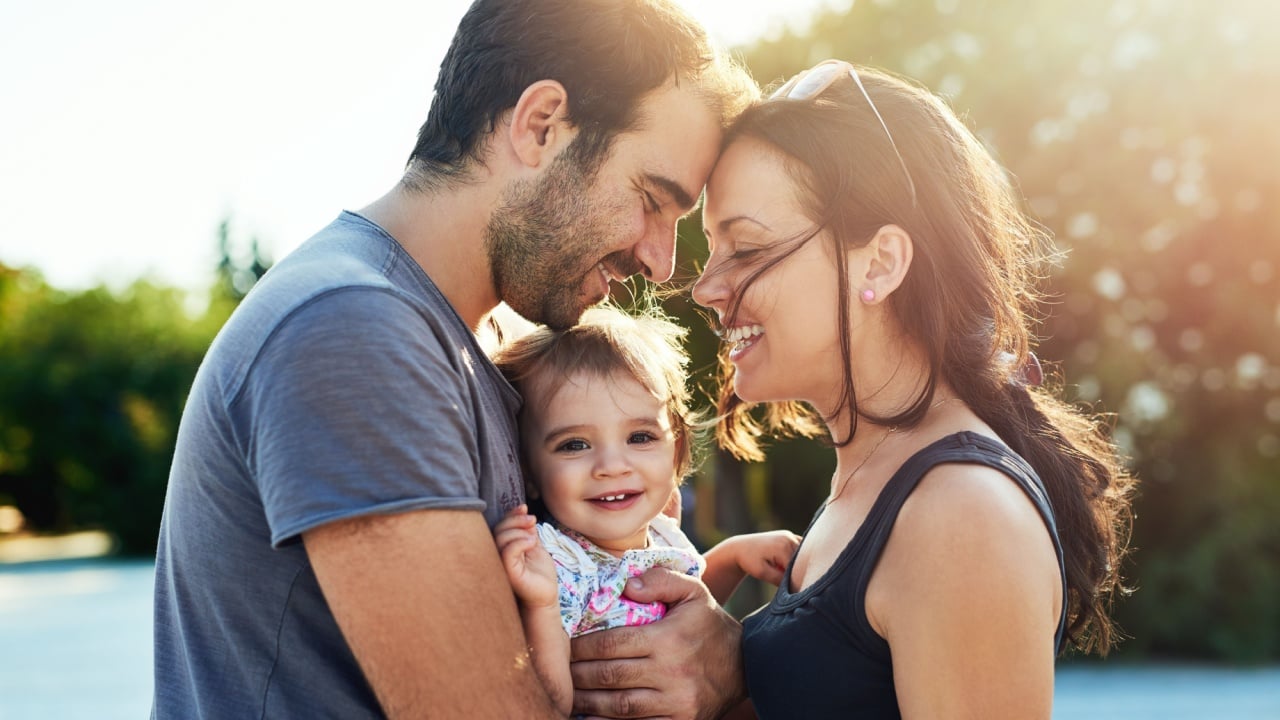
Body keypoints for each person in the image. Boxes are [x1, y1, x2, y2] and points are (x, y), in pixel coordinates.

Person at [150, 1, 758, 717]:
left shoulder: (462, 346)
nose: (660, 263)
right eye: (653, 201)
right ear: (541, 126)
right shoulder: (354, 330)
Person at [691, 60, 1135, 718]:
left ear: (881, 262)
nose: (706, 288)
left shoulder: (961, 515)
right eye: (710, 248)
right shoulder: (872, 478)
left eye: (747, 249)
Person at [490, 305, 801, 716]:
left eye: (639, 436)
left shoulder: (661, 531)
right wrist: (545, 608)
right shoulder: (558, 567)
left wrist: (735, 556)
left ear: (677, 453)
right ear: (529, 472)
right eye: (574, 445)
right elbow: (552, 703)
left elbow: (683, 613)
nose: (612, 466)